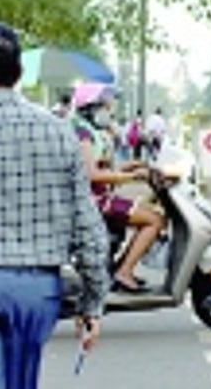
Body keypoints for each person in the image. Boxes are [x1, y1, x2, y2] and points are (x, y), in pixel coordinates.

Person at [0, 21, 108, 388]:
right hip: (37, 291)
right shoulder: (59, 131)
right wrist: (92, 304)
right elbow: (89, 228)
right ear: (17, 72)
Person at [71, 83, 166, 293]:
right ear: (91, 108)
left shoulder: (93, 132)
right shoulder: (81, 134)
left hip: (100, 198)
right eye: (105, 106)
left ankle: (120, 269)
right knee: (154, 220)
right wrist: (130, 177)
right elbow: (92, 174)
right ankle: (124, 273)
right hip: (93, 202)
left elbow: (103, 168)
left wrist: (135, 166)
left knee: (153, 215)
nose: (110, 110)